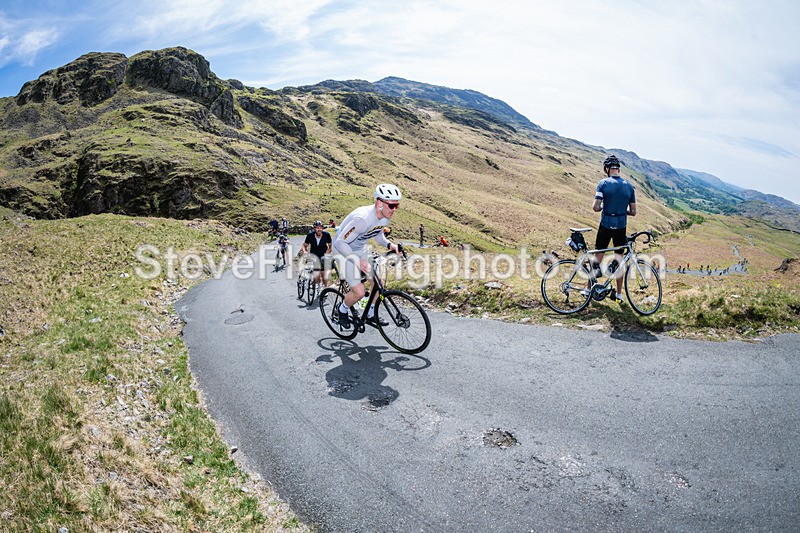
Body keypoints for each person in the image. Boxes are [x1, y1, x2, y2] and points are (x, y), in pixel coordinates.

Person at [332, 184, 402, 328]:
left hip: (359, 248)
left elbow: (377, 235)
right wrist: (357, 261)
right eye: (391, 205)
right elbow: (340, 242)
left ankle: (370, 314)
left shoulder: (384, 216)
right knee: (359, 292)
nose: (394, 209)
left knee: (378, 282)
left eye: (397, 205)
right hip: (342, 250)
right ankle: (342, 310)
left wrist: (390, 245)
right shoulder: (362, 219)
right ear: (380, 203)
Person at [592, 155, 636, 303]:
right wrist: (622, 211)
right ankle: (619, 294)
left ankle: (588, 288)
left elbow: (595, 207)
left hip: (605, 225)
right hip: (621, 227)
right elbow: (633, 212)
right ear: (618, 169)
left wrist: (605, 207)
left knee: (598, 255)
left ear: (607, 168)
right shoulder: (629, 186)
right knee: (619, 259)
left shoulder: (603, 183)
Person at [302, 220, 333, 286]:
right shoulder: (310, 235)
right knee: (317, 274)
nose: (319, 229)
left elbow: (330, 246)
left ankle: (325, 288)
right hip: (314, 255)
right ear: (314, 228)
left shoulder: (326, 235)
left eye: (321, 228)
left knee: (324, 274)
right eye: (317, 228)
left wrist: (328, 252)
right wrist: (305, 251)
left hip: (323, 256)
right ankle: (317, 287)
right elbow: (304, 245)